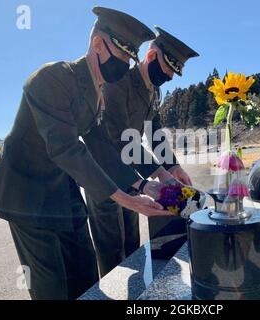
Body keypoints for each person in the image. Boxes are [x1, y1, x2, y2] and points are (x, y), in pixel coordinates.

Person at [0, 7, 172, 300]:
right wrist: (124, 198)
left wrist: (143, 185)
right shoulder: (50, 79)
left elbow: (99, 147)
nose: (125, 65)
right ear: (98, 45)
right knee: (52, 287)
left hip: (60, 190)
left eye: (129, 58)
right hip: (24, 195)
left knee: (86, 277)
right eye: (122, 56)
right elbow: (66, 148)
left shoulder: (96, 92)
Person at [83, 26, 199, 276]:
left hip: (132, 175)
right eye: (168, 68)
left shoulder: (154, 90)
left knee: (132, 247)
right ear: (151, 56)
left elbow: (154, 132)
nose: (169, 76)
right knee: (113, 251)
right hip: (106, 173)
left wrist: (172, 167)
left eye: (174, 72)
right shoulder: (119, 82)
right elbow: (119, 137)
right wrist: (158, 172)